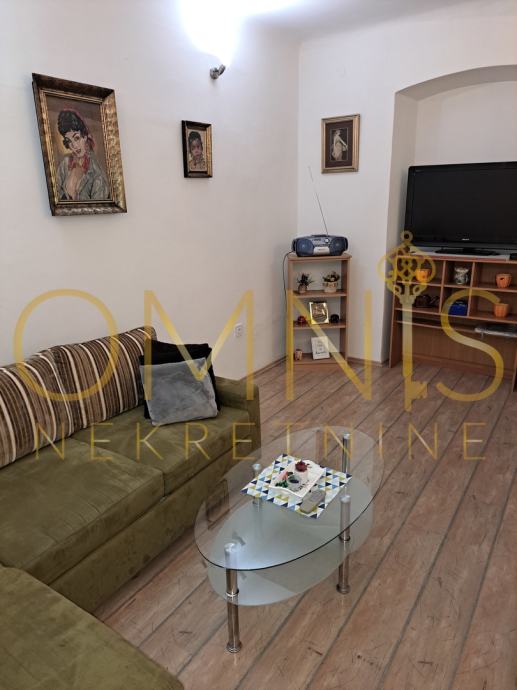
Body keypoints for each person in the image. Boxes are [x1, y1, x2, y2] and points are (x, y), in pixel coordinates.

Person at [56, 109, 110, 201]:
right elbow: (56, 195)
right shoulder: (64, 165)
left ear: (84, 136)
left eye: (76, 138)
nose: (74, 146)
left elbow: (98, 206)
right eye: (69, 141)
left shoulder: (96, 174)